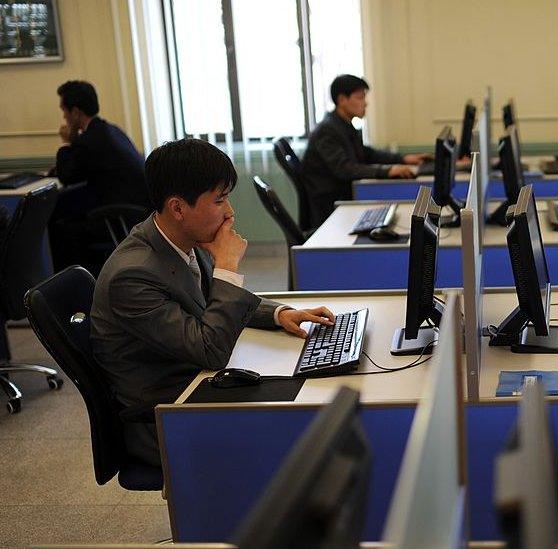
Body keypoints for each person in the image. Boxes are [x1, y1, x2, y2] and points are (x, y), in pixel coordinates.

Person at [91, 138, 337, 467]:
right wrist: (227, 267)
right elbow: (211, 349)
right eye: (219, 200)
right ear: (177, 207)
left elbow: (212, 297)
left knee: (309, 392)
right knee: (302, 422)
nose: (230, 212)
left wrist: (280, 313)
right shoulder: (132, 275)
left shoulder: (183, 239)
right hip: (167, 416)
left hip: (199, 382)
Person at [302, 74, 432, 225]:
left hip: (344, 196)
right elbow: (345, 169)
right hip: (332, 206)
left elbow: (366, 154)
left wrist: (402, 159)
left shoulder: (343, 125)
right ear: (342, 100)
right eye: (360, 97)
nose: (366, 103)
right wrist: (387, 171)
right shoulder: (327, 130)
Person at [51, 80, 151, 273]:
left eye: (65, 111)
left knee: (61, 227)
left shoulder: (89, 140)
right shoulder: (110, 131)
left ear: (76, 112)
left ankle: (77, 286)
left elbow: (67, 176)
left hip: (122, 216)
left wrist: (66, 142)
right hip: (141, 212)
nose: (64, 117)